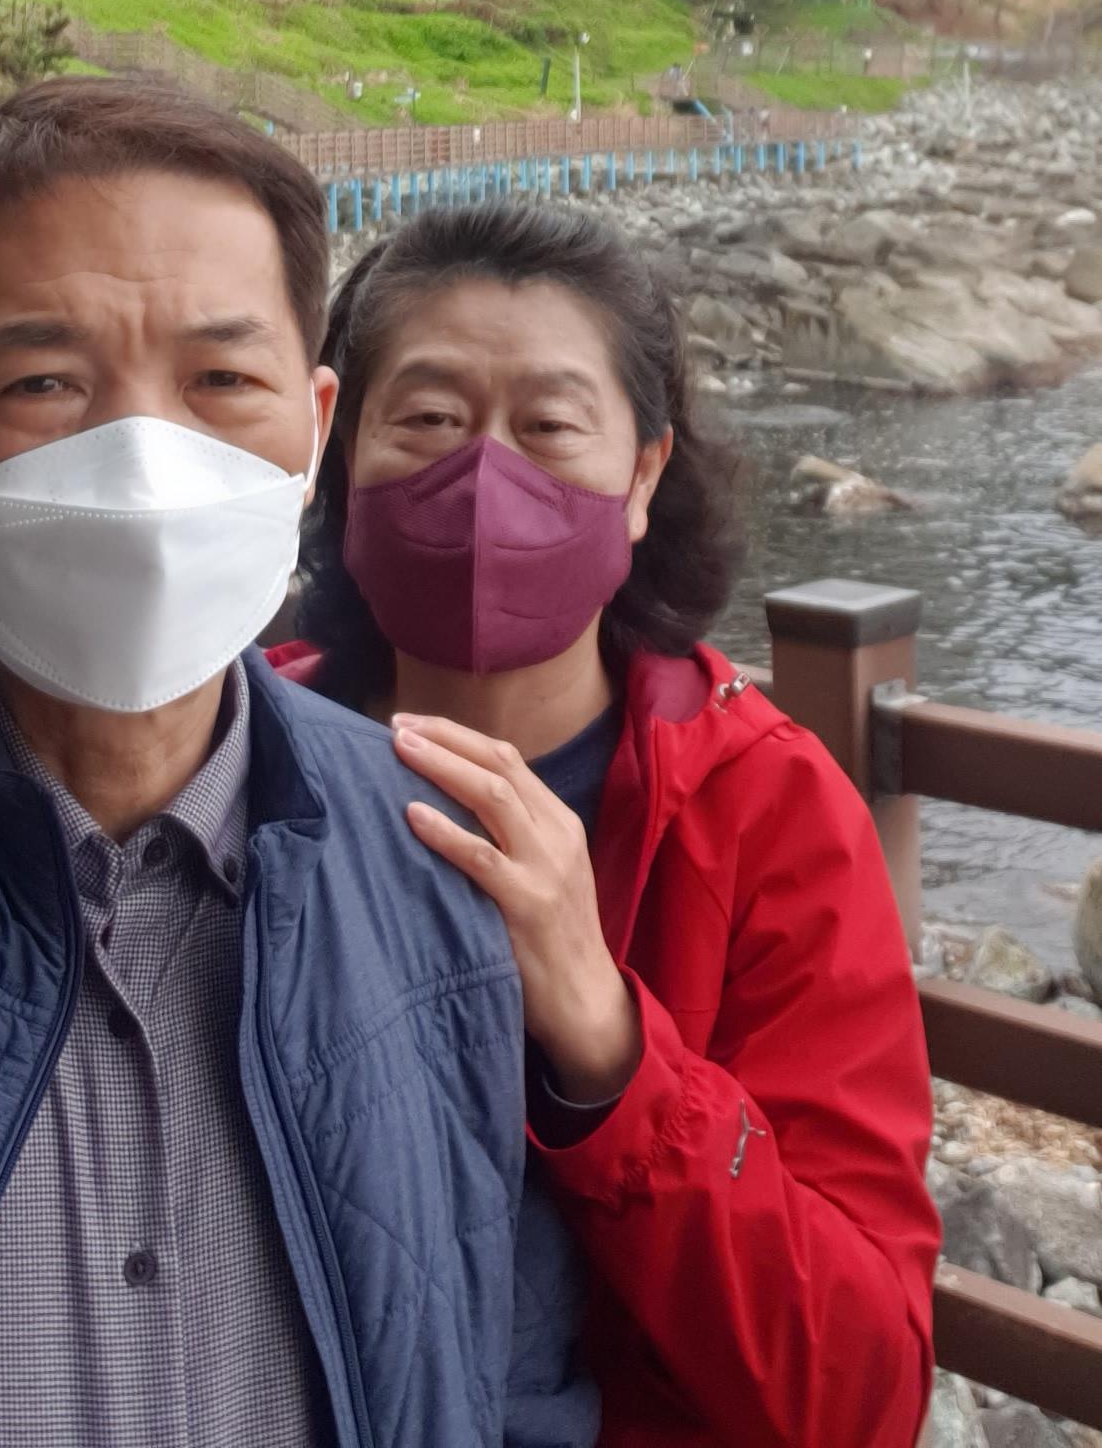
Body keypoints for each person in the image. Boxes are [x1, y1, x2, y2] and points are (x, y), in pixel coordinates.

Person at [0, 82, 597, 1448]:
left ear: (315, 432)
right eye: (45, 382)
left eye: (222, 382)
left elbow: (495, 1355)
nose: (143, 463)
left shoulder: (431, 868)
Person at [277, 201, 940, 1448]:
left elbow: (859, 1397)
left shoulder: (762, 812)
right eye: (427, 420)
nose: (485, 478)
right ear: (336, 447)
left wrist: (612, 1051)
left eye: (549, 428)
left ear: (641, 476)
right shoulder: (236, 752)